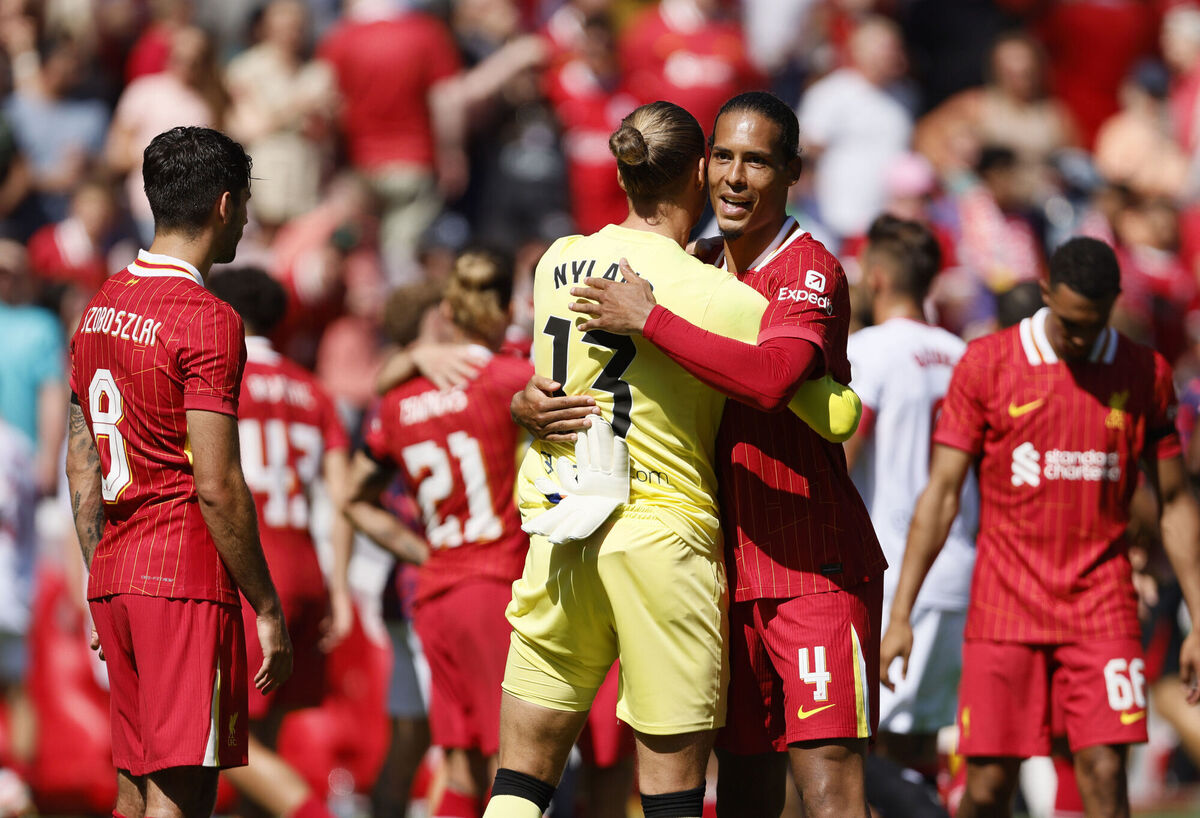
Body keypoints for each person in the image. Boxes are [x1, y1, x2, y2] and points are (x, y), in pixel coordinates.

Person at [511, 92, 880, 818]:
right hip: (719, 566)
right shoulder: (698, 264)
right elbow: (579, 369)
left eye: (760, 163)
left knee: (829, 788)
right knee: (739, 794)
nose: (738, 179)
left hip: (810, 565)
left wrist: (650, 318)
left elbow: (776, 381)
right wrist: (523, 405)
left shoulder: (808, 271)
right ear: (703, 166)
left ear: (793, 173)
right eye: (729, 159)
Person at [879, 237, 1200, 818]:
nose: (1080, 338)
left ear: (1114, 305)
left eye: (1093, 324)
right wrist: (901, 614)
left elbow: (1175, 500)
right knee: (988, 787)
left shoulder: (1144, 373)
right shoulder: (988, 365)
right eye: (1070, 322)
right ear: (1046, 294)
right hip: (1005, 608)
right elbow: (943, 492)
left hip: (1102, 607)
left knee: (1104, 771)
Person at [64, 125, 292, 818]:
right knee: (182, 792)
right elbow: (218, 485)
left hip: (117, 575)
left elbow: (81, 461)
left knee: (132, 789)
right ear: (226, 206)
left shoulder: (98, 304)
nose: (246, 221)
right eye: (246, 207)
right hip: (184, 578)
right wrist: (268, 607)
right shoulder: (208, 318)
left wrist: (96, 571)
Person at [344, 248, 528, 817]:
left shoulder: (398, 401)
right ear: (500, 310)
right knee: (515, 765)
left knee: (460, 764)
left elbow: (353, 498)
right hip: (492, 585)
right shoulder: (508, 379)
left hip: (435, 589)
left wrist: (422, 551)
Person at [207, 267, 354, 818]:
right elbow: (340, 498)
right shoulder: (313, 389)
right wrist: (339, 590)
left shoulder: (216, 376)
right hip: (307, 568)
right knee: (263, 740)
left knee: (221, 736)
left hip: (248, 570)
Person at [843, 216, 976, 816]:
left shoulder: (869, 350)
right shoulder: (963, 354)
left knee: (850, 750)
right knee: (919, 745)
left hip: (892, 570)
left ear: (876, 277)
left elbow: (845, 450)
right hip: (958, 570)